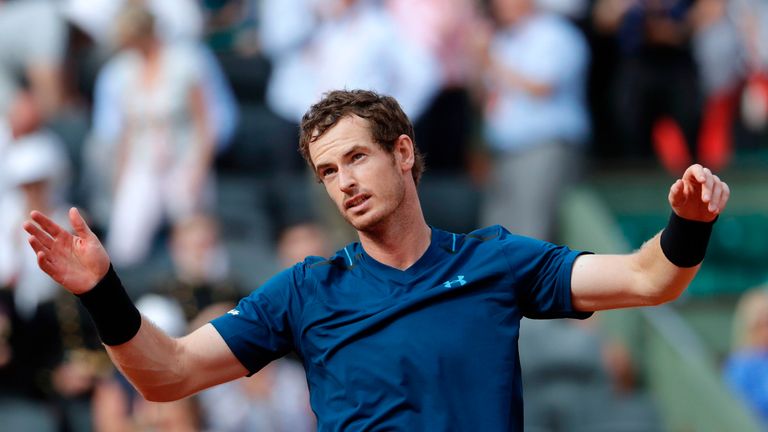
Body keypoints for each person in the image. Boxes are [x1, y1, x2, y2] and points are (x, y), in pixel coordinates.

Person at [23, 89, 730, 431]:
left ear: (403, 153)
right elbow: (169, 375)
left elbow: (648, 278)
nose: (345, 182)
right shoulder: (305, 291)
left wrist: (688, 223)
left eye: (356, 157)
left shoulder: (497, 261)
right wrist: (104, 291)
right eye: (329, 172)